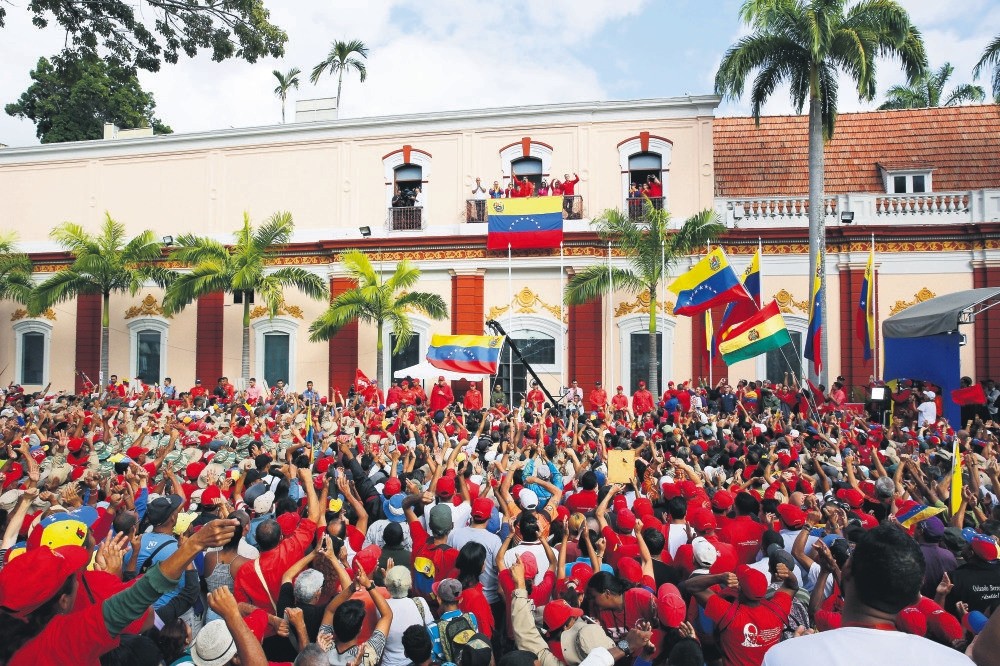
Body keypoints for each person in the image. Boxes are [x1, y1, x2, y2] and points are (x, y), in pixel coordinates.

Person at [763, 524, 973, 665]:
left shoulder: (785, 656)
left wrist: (799, 648)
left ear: (846, 571)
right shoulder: (956, 662)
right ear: (917, 595)